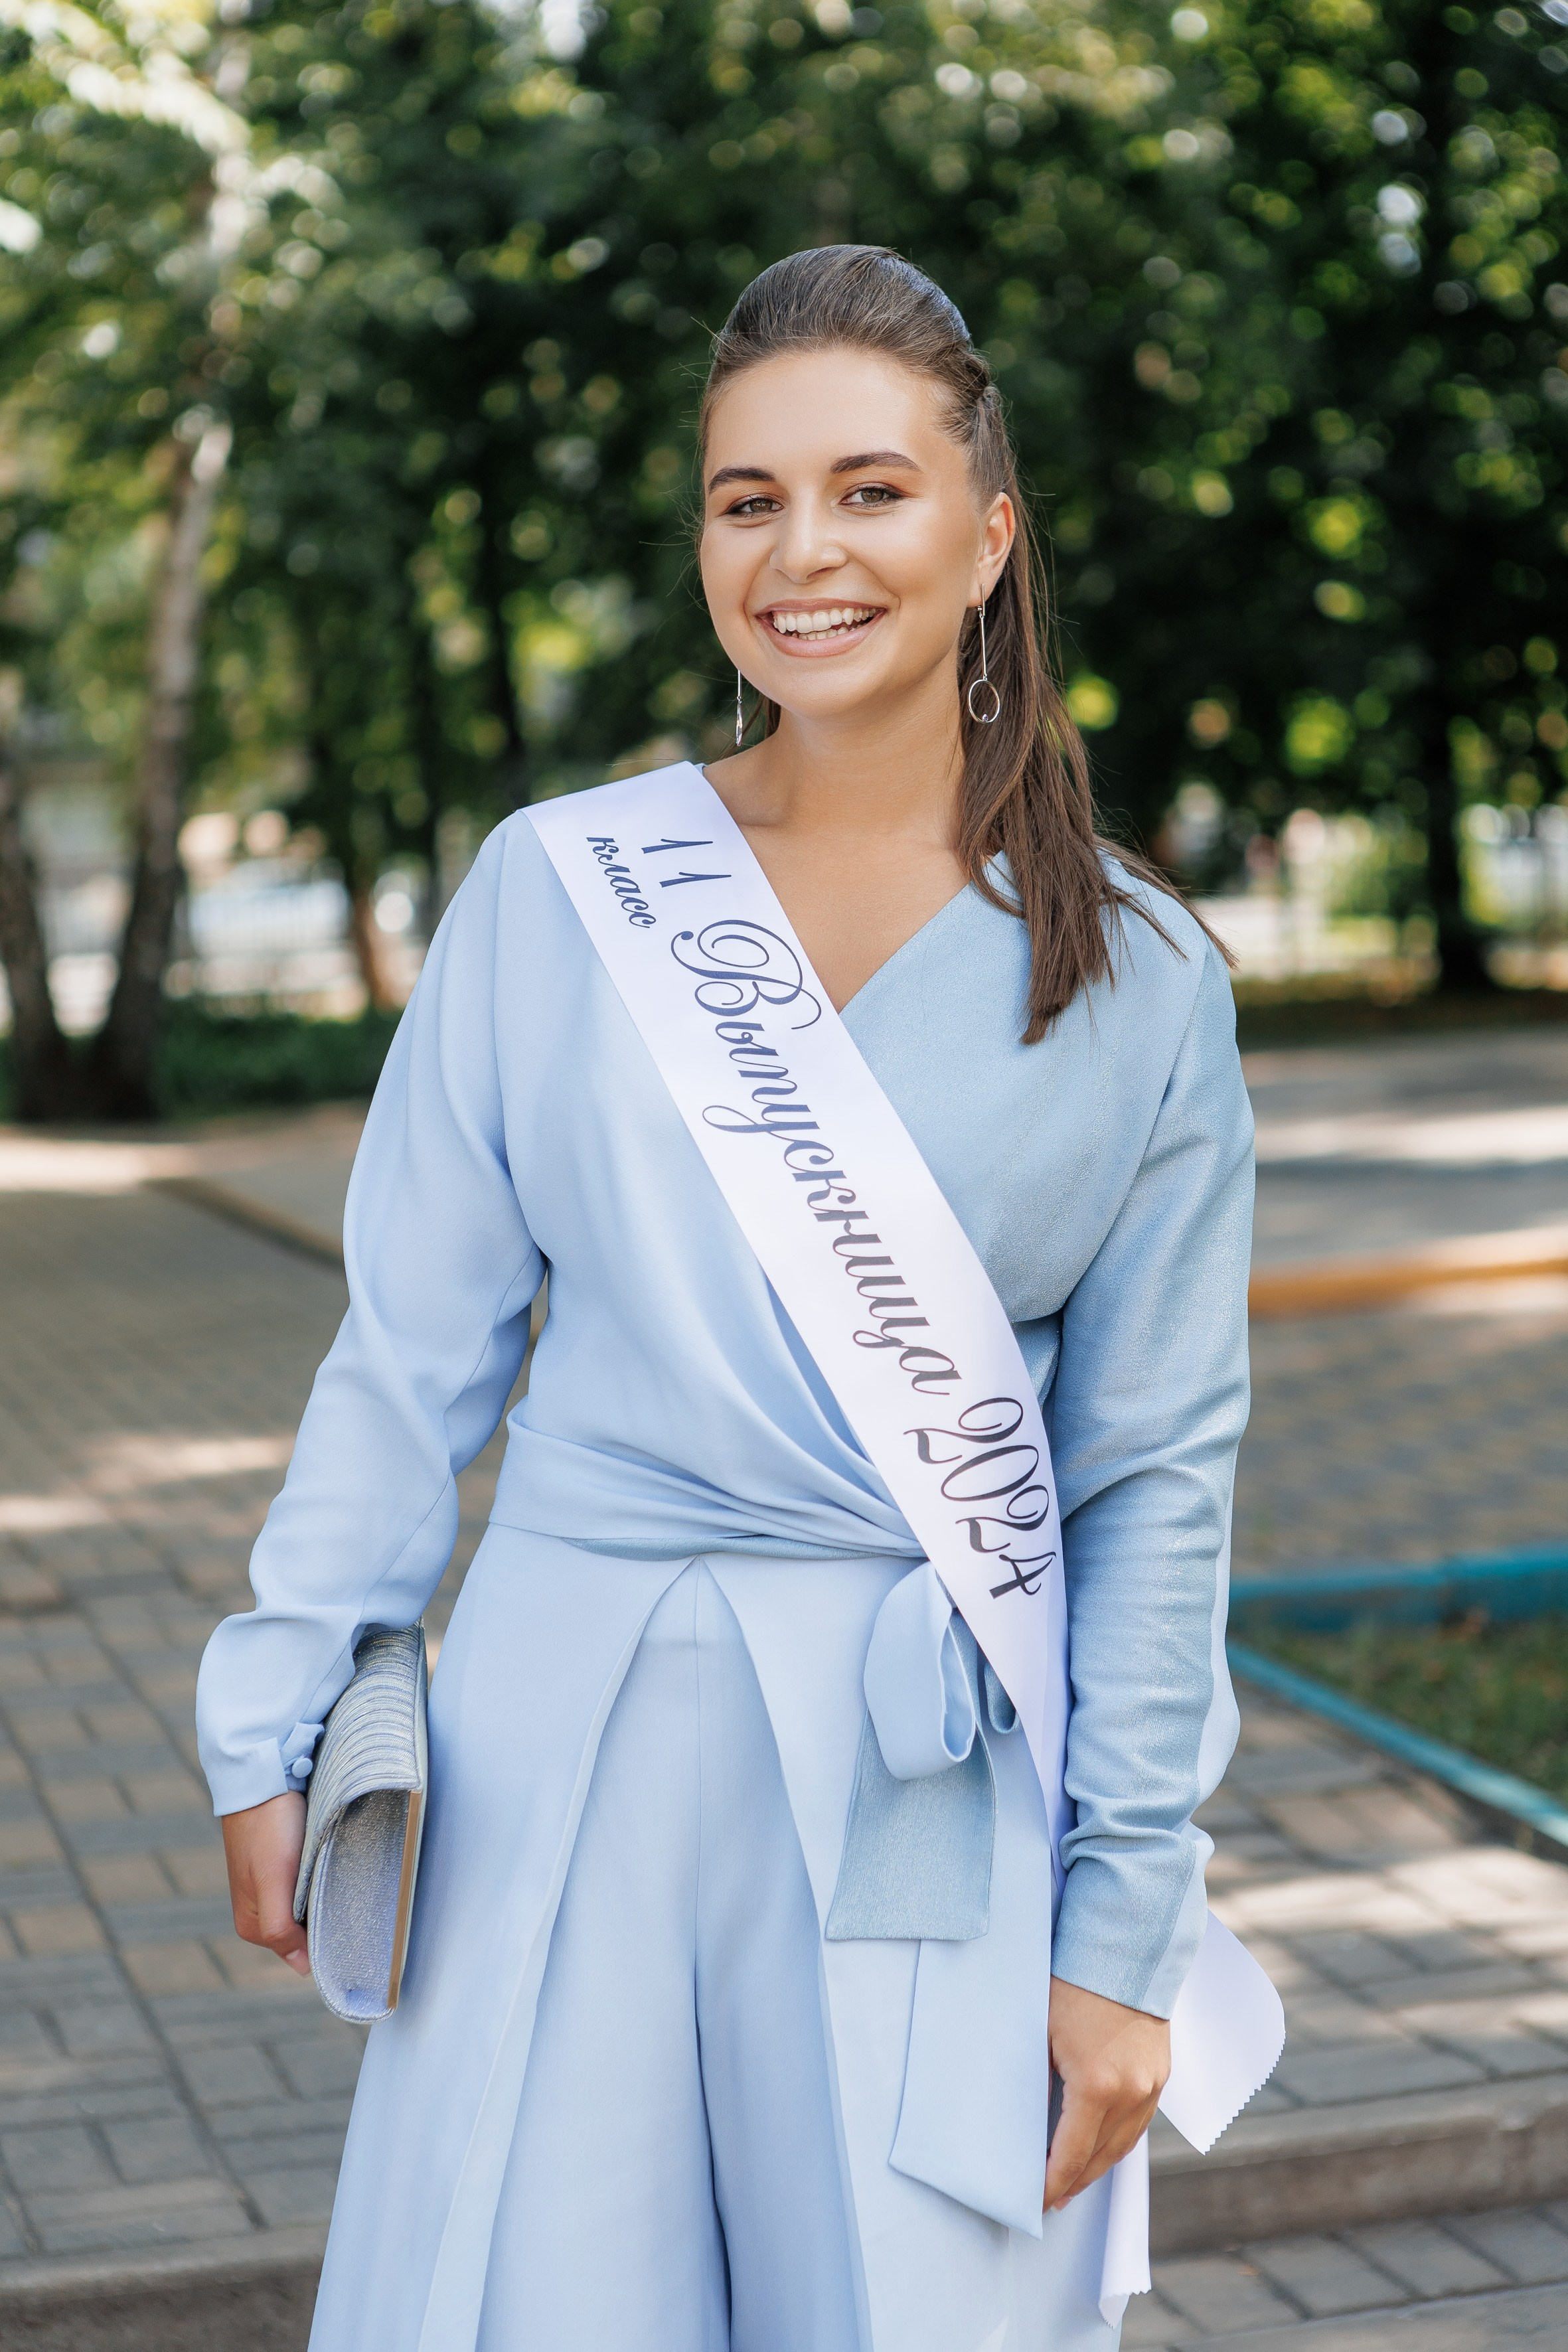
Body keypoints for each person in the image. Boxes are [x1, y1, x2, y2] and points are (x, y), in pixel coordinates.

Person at [199, 245, 1255, 2352]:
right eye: (741, 497)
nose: (799, 553)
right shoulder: (559, 890)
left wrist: (1121, 1922)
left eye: (867, 490)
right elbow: (410, 1352)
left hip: (921, 1774)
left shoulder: (1135, 975)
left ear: (986, 535)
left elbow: (1149, 1480)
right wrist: (284, 1691)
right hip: (552, 1724)